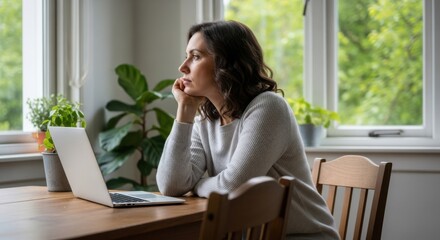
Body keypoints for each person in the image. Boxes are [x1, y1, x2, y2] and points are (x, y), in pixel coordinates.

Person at [156, 20, 339, 239]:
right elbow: (171, 185)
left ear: (227, 63)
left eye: (195, 57)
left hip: (303, 236)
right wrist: (184, 111)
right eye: (187, 56)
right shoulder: (206, 120)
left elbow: (234, 188)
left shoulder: (268, 107)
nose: (183, 67)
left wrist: (196, 185)